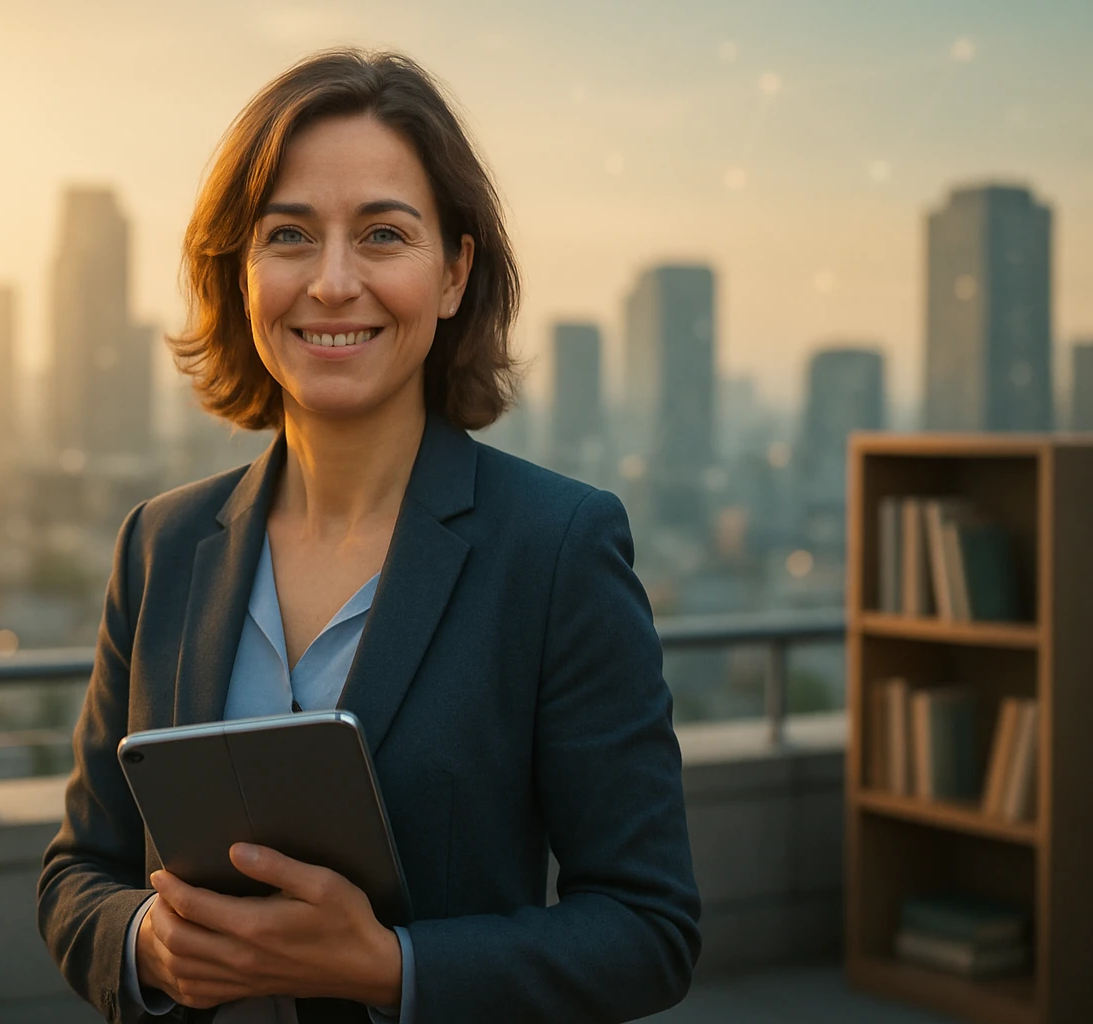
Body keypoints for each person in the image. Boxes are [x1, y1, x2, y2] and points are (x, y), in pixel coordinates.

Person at [37, 48, 700, 1024]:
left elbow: (650, 928)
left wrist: (391, 968)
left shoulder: (556, 549)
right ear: (243, 272)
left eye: (384, 234)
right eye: (290, 235)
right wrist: (149, 943)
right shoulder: (161, 544)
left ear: (453, 272)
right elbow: (78, 871)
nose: (333, 282)